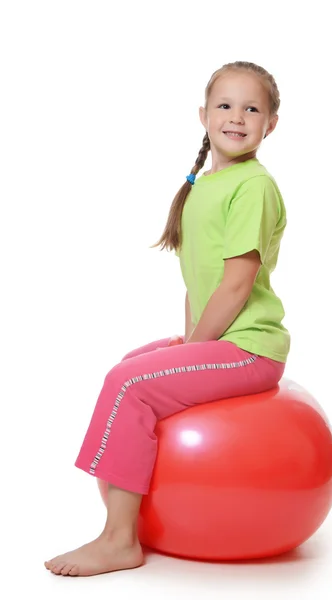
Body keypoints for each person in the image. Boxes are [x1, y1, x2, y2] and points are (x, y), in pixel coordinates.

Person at [45, 60, 291, 577]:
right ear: (203, 115)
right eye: (225, 105)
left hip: (250, 349)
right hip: (221, 338)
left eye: (252, 108)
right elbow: (196, 283)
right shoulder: (203, 185)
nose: (237, 116)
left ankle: (118, 540)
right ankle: (119, 516)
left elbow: (236, 284)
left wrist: (193, 347)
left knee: (130, 384)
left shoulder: (254, 186)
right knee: (130, 366)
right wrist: (185, 339)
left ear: (271, 124)